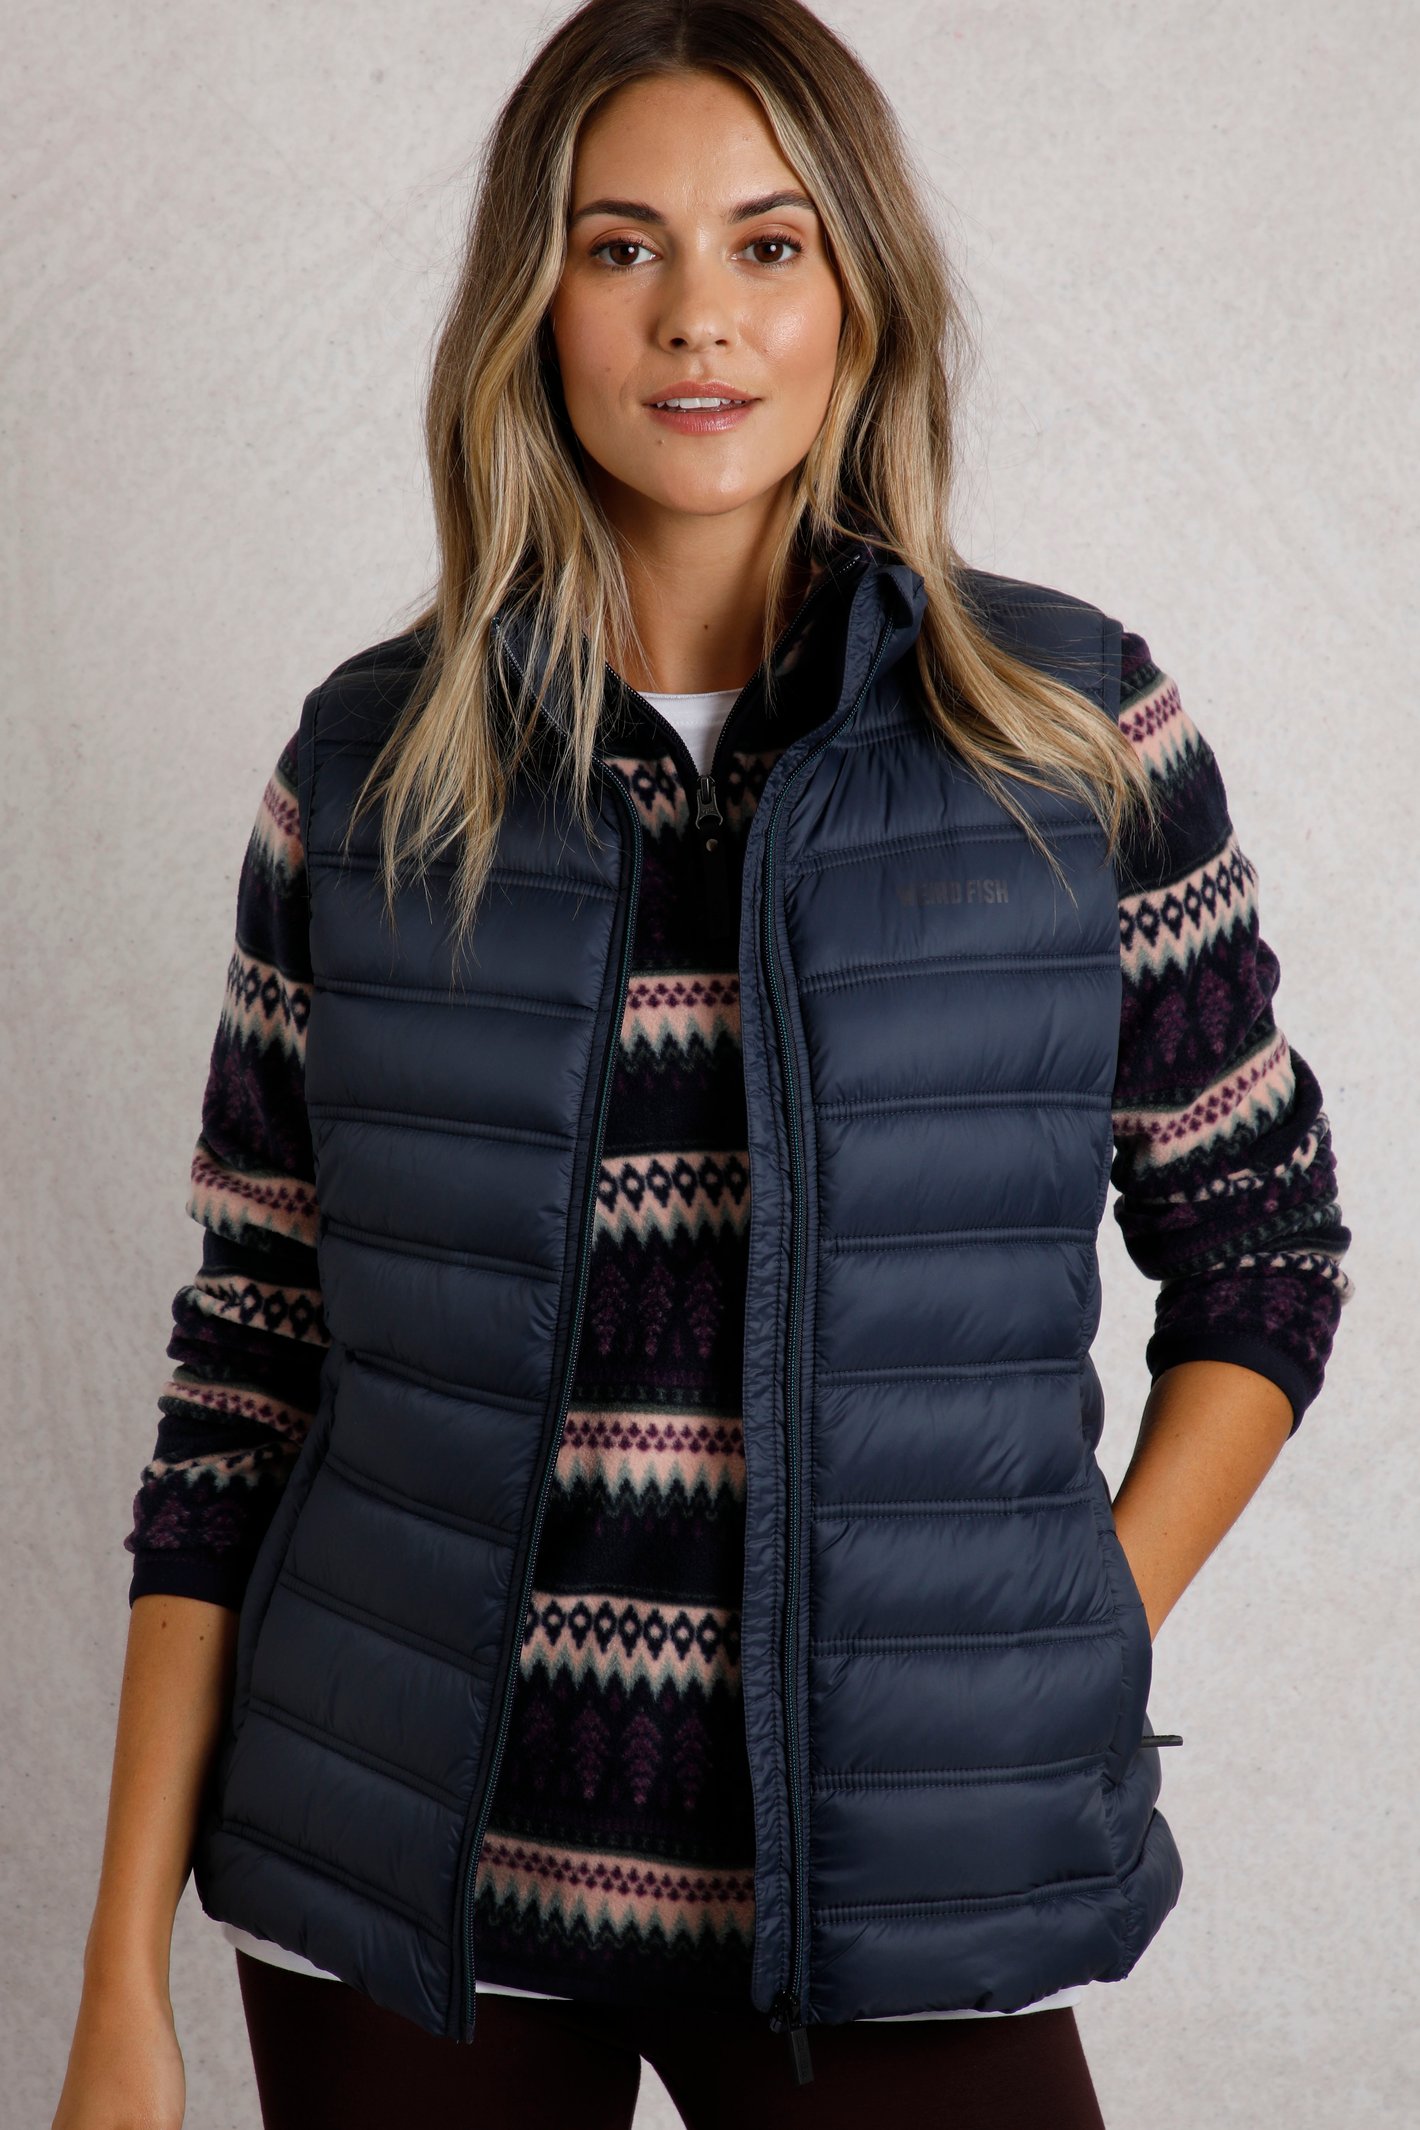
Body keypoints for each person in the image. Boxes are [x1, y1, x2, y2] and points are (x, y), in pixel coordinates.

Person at [53, 3, 1354, 2126]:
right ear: (534, 303)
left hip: (896, 1898)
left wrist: (1053, 1641)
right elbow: (247, 1364)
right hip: (405, 1908)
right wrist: (118, 1971)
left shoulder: (1068, 738)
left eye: (766, 243)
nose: (697, 318)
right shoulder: (367, 776)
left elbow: (1263, 1255)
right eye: (618, 246)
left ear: (859, 291)